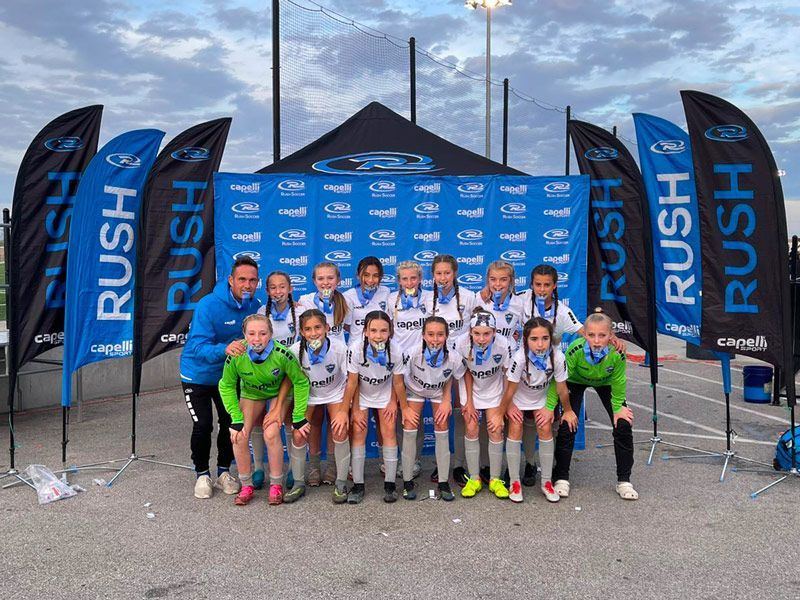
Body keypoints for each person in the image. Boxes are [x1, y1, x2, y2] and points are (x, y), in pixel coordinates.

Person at [517, 264, 626, 487]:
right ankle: (529, 464)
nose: (542, 289)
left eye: (547, 285)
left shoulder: (562, 311)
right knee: (528, 418)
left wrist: (611, 338)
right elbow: (494, 307)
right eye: (538, 284)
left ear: (555, 285)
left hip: (552, 370)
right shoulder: (520, 301)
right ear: (532, 284)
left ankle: (555, 467)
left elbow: (586, 332)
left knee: (554, 419)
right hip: (526, 369)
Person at [179, 256, 261, 499]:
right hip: (197, 376)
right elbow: (196, 348)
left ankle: (224, 472)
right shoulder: (208, 305)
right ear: (231, 280)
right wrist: (224, 349)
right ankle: (202, 474)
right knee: (203, 424)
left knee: (230, 423)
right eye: (242, 279)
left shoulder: (254, 305)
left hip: (228, 377)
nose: (247, 285)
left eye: (252, 280)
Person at [218, 314, 311, 506]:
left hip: (279, 394)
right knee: (239, 434)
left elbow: (301, 382)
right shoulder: (237, 353)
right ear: (244, 334)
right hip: (252, 394)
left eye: (262, 333)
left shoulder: (282, 353)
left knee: (270, 433)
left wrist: (299, 416)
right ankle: (246, 485)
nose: (257, 339)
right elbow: (226, 385)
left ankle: (276, 484)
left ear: (271, 334)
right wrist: (235, 417)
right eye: (251, 334)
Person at [550, 310, 638, 501]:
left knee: (623, 424)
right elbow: (559, 380)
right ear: (585, 334)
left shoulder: (617, 353)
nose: (597, 341)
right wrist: (557, 408)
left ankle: (624, 481)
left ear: (611, 336)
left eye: (602, 335)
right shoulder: (574, 349)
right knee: (567, 424)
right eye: (591, 335)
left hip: (606, 383)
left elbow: (619, 381)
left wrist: (618, 408)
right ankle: (561, 477)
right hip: (575, 381)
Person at [500, 317, 573, 504]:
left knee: (545, 429)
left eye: (545, 338)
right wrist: (504, 410)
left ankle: (546, 482)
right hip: (518, 398)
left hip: (541, 399)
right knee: (515, 427)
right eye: (534, 339)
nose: (540, 344)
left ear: (551, 339)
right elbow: (509, 389)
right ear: (526, 340)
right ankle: (515, 483)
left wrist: (568, 411)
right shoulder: (519, 358)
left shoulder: (558, 357)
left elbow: (562, 388)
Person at [345, 310, 409, 503]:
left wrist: (398, 405)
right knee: (358, 431)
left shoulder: (396, 350)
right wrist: (354, 408)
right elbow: (353, 382)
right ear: (365, 331)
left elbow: (398, 382)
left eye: (383, 331)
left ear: (390, 332)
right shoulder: (356, 348)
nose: (378, 336)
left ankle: (390, 485)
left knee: (389, 430)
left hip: (385, 394)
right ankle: (358, 485)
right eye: (373, 330)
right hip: (362, 395)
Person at [297, 261, 352, 485]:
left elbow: (352, 331)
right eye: (321, 279)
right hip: (312, 368)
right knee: (315, 420)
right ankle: (313, 466)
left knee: (335, 422)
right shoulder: (306, 302)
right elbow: (300, 331)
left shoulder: (345, 301)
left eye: (330, 278)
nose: (326, 282)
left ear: (338, 281)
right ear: (314, 281)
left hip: (336, 368)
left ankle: (332, 466)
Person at [401, 316, 465, 501]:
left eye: (440, 335)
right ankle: (407, 481)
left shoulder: (453, 357)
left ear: (446, 336)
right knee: (410, 428)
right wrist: (404, 406)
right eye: (430, 334)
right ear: (422, 335)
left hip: (438, 392)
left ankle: (443, 482)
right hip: (414, 391)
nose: (435, 339)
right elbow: (398, 379)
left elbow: (452, 377)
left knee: (442, 427)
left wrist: (447, 399)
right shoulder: (412, 353)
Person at [424, 254, 475, 485]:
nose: (443, 277)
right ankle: (440, 464)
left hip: (462, 365)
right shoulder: (426, 299)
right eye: (438, 273)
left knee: (460, 412)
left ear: (455, 274)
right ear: (432, 276)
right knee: (441, 415)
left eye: (447, 272)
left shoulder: (469, 297)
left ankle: (459, 465)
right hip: (436, 365)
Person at [290, 309, 349, 503]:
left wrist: (343, 410)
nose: (313, 333)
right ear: (302, 332)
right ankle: (302, 479)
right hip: (308, 396)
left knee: (339, 428)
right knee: (299, 432)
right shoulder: (294, 352)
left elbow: (351, 380)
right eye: (308, 329)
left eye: (317, 327)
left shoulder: (339, 348)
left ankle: (339, 478)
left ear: (326, 328)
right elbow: (287, 383)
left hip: (335, 392)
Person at [457, 309, 513, 499]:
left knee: (495, 429)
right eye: (477, 333)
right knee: (471, 427)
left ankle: (496, 479)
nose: (481, 339)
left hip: (494, 389)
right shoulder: (461, 344)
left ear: (495, 332)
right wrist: (470, 403)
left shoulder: (504, 345)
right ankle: (474, 479)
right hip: (470, 387)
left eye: (487, 334)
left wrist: (502, 408)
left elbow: (508, 376)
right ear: (470, 331)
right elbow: (465, 373)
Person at [252, 270, 300, 489]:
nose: (278, 291)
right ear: (267, 291)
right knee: (258, 420)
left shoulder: (301, 310)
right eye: (273, 287)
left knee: (288, 420)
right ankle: (259, 468)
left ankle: (291, 468)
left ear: (290, 288)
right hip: (265, 373)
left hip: (289, 374)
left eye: (282, 287)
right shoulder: (263, 312)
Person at [386, 260, 432, 480]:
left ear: (420, 279)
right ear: (399, 281)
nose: (409, 282)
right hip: (396, 365)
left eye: (413, 278)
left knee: (414, 415)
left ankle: (413, 460)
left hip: (421, 365)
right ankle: (396, 459)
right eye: (404, 279)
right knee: (396, 414)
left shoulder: (430, 299)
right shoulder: (390, 300)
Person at [344, 256, 392, 341]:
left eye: (375, 276)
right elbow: (346, 326)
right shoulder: (348, 296)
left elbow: (390, 322)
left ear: (380, 277)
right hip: (356, 349)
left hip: (380, 346)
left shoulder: (386, 292)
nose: (370, 280)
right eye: (366, 275)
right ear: (358, 275)